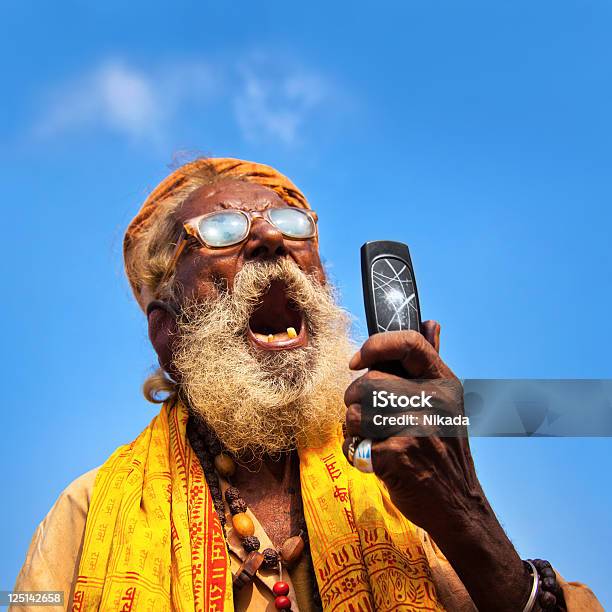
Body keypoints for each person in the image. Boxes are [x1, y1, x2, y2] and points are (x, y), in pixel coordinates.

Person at [15, 158, 602, 611]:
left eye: (291, 226)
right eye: (220, 230)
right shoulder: (85, 514)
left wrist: (464, 514)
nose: (270, 240)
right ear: (168, 333)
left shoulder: (404, 480)